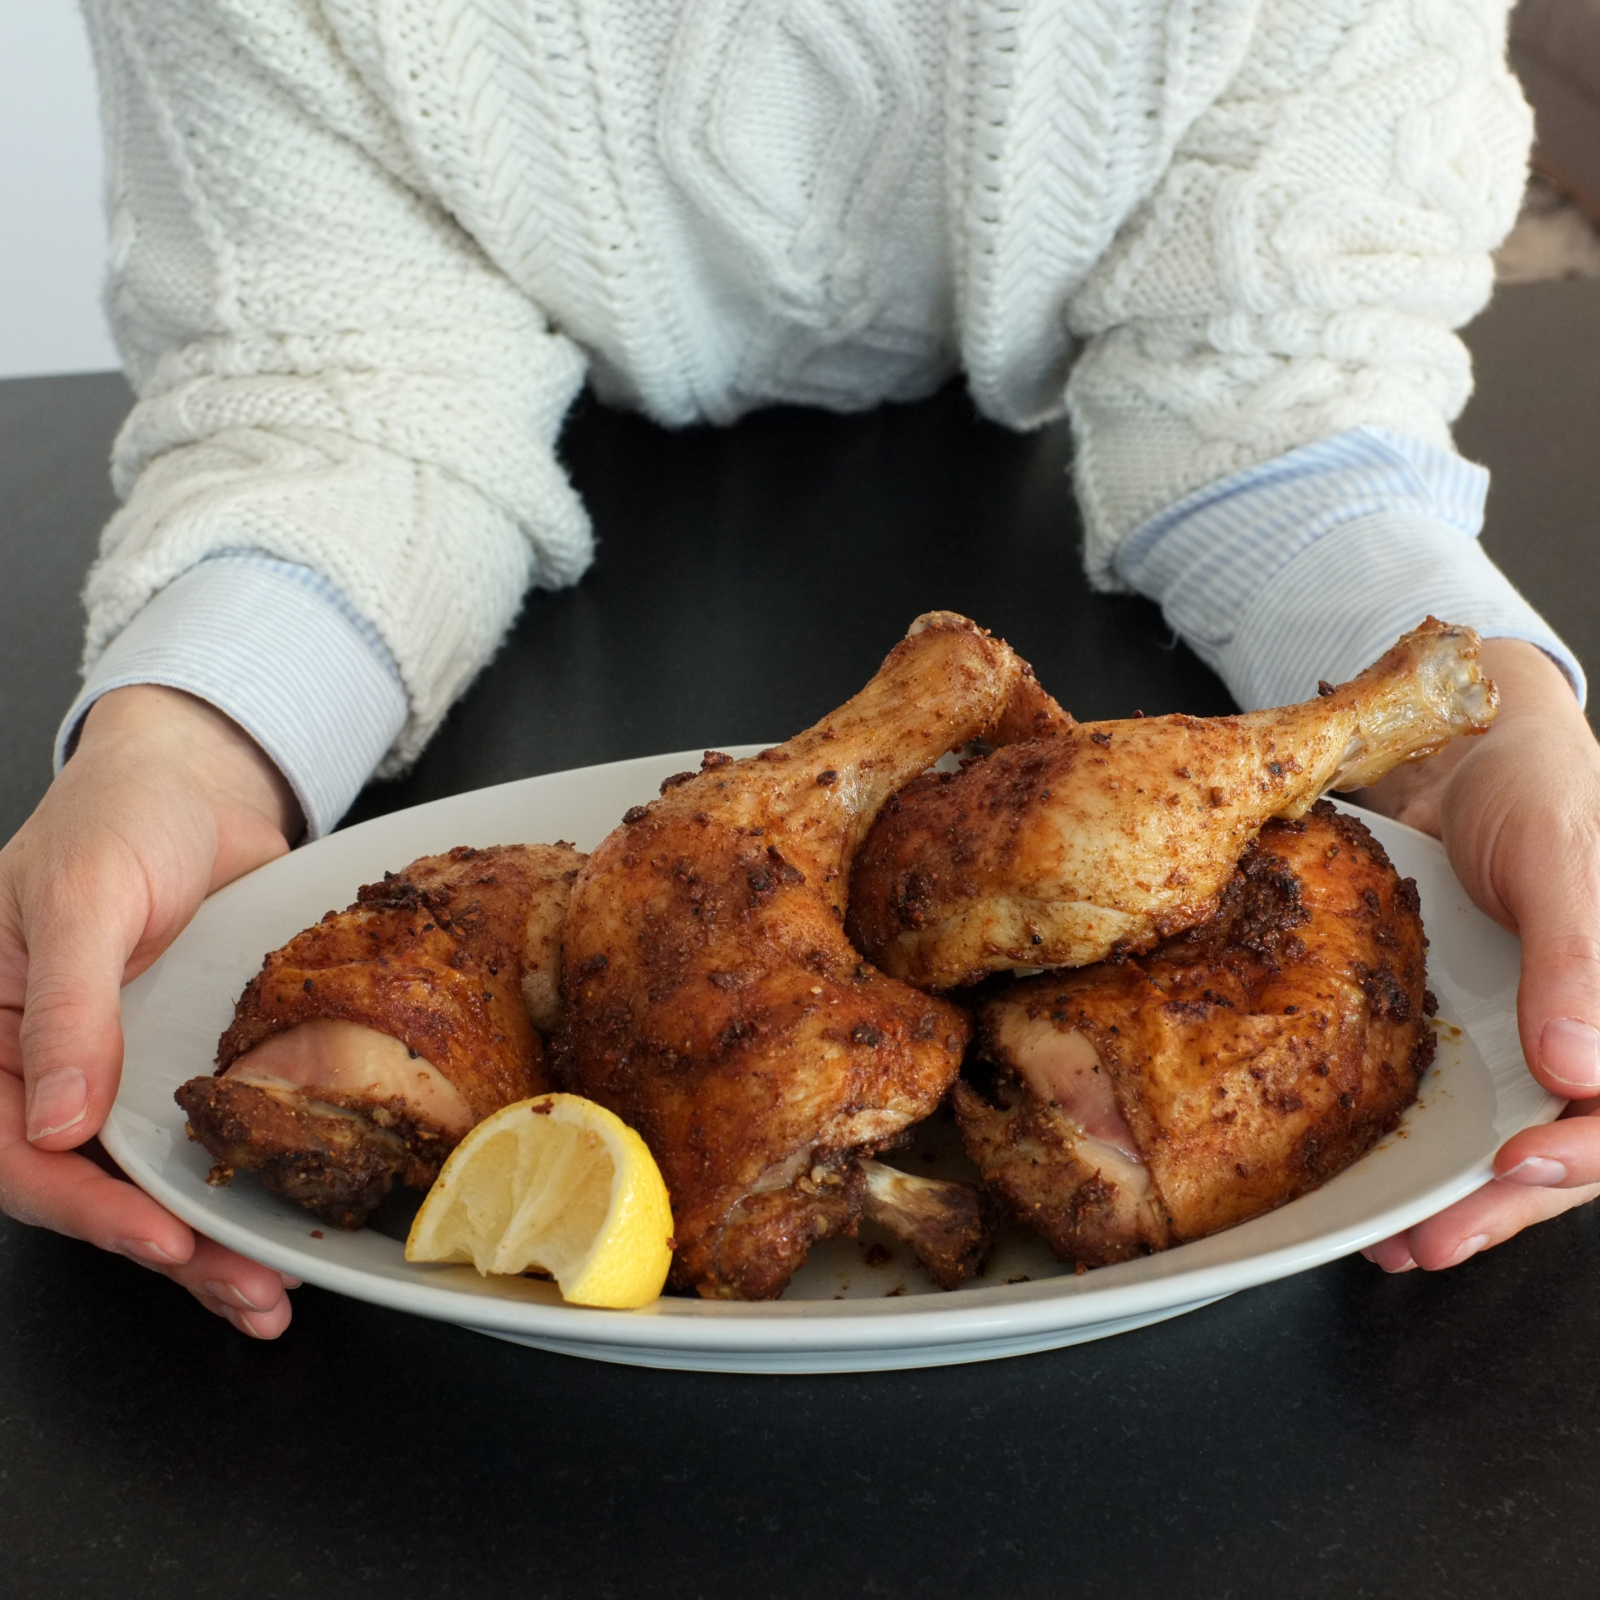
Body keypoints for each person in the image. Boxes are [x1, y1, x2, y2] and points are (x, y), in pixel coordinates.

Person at [3, 0, 1598, 1341]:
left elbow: (1281, 398)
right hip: (546, 617)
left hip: (1087, 631)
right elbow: (341, 403)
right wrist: (190, 745)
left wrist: (1473, 741)